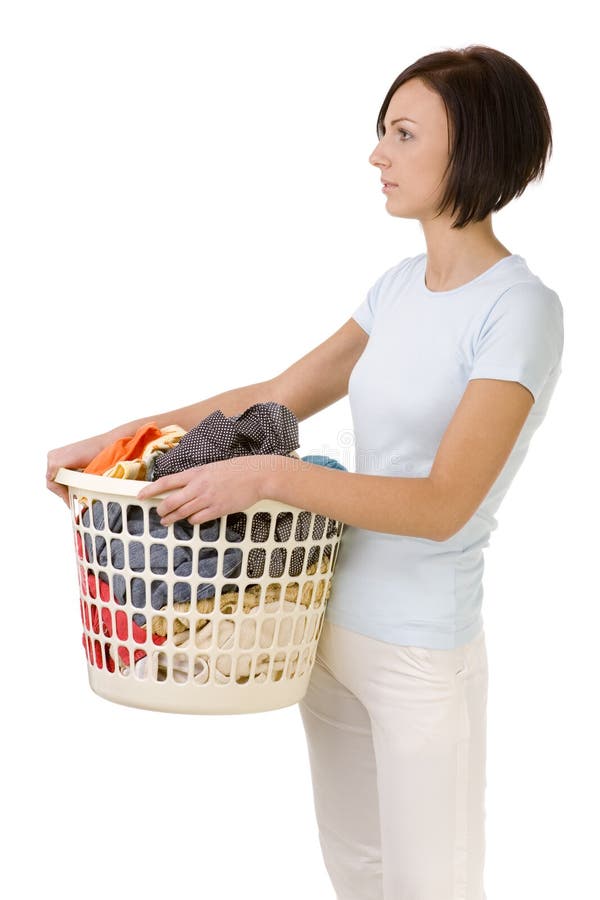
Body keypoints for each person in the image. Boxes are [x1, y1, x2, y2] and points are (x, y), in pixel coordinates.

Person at [47, 43, 564, 900]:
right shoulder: (398, 288)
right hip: (323, 629)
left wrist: (269, 480)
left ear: (473, 149)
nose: (377, 155)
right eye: (381, 132)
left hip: (418, 650)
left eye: (403, 134)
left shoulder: (520, 310)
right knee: (358, 880)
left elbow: (443, 506)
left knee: (434, 888)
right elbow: (275, 398)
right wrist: (111, 442)